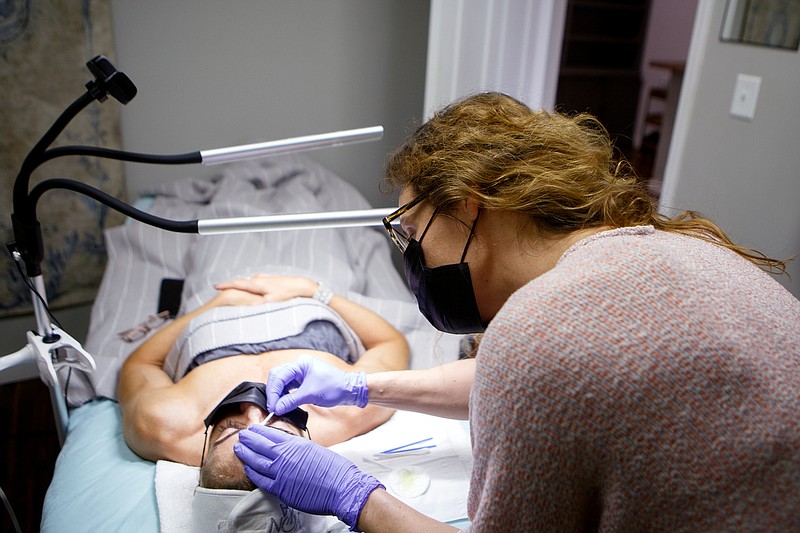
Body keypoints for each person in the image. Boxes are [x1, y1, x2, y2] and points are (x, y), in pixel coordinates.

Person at [232, 92, 800, 532]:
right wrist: (360, 387)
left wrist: (353, 498)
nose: (414, 261)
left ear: (465, 203)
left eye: (412, 233)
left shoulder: (538, 333)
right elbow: (555, 385)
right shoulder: (676, 249)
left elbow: (536, 368)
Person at [118, 273, 409, 472]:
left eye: (231, 429)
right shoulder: (349, 410)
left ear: (203, 453)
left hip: (215, 317)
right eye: (278, 428)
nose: (255, 411)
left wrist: (216, 304)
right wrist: (315, 290)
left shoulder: (166, 429)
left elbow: (140, 365)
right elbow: (388, 342)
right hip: (307, 305)